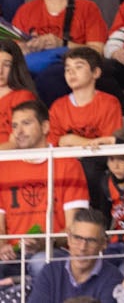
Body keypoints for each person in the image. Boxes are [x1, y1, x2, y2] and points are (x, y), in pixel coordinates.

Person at [0, 99, 89, 252]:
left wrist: (46, 242)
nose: (19, 131)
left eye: (26, 123)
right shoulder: (4, 166)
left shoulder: (68, 164)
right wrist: (2, 247)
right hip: (12, 254)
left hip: (55, 251)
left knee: (39, 262)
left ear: (45, 127)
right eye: (15, 126)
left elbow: (74, 228)